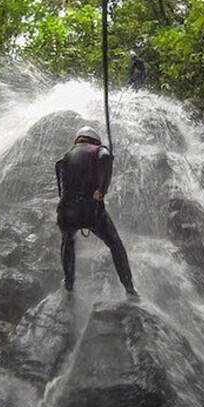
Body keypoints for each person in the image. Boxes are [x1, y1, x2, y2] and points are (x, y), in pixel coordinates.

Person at [55, 126, 137, 296]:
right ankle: (129, 287)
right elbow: (105, 157)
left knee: (68, 241)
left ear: (79, 139)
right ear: (94, 140)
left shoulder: (66, 156)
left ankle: (69, 284)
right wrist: (102, 189)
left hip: (67, 211)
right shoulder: (98, 150)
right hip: (91, 210)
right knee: (115, 244)